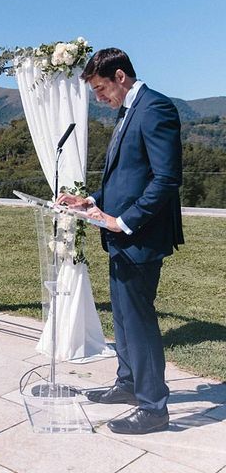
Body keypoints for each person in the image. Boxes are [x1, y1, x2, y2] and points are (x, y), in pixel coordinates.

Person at [57, 48, 184, 435]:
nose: (99, 99)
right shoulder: (130, 110)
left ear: (120, 76)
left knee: (139, 320)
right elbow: (125, 177)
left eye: (100, 89)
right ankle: (129, 384)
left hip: (139, 236)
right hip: (118, 234)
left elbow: (165, 179)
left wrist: (122, 222)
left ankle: (153, 407)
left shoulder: (155, 108)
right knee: (125, 318)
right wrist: (90, 200)